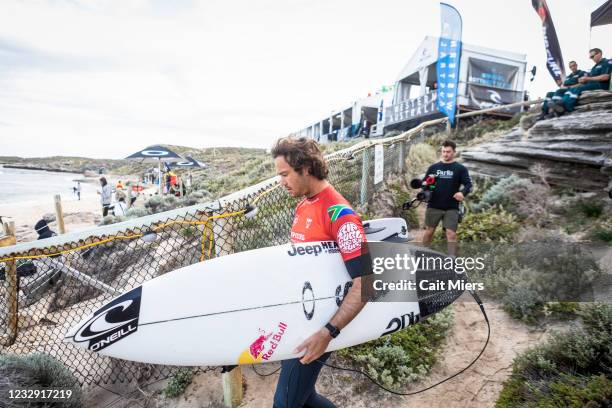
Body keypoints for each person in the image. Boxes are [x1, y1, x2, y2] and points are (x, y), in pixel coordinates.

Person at [271, 137, 370, 408]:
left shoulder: (341, 216)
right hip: (297, 318)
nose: (281, 182)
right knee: (303, 398)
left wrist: (327, 333)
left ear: (305, 168)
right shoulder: (304, 205)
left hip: (318, 327)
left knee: (286, 403)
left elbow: (366, 283)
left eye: (284, 174)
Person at [421, 140, 472, 254]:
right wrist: (425, 191)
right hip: (434, 205)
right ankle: (423, 254)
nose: (445, 154)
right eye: (443, 151)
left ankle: (451, 261)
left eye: (448, 152)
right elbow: (425, 184)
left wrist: (462, 193)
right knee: (429, 232)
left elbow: (468, 184)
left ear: (454, 152)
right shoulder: (433, 168)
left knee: (451, 234)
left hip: (451, 206)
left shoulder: (460, 169)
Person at [553, 48, 611, 115]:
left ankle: (567, 107)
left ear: (599, 54)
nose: (591, 58)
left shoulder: (607, 62)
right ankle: (558, 106)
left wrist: (588, 78)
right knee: (571, 89)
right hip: (591, 84)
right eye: (590, 57)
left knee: (576, 89)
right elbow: (589, 78)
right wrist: (583, 80)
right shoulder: (594, 67)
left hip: (601, 85)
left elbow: (606, 77)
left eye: (592, 56)